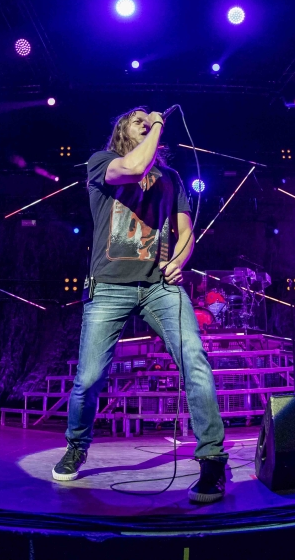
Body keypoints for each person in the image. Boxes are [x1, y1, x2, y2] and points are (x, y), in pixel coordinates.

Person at [52, 107, 228, 504]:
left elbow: (186, 231)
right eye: (138, 121)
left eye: (149, 122)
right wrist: (158, 121)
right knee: (89, 377)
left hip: (159, 286)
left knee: (195, 359)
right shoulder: (102, 162)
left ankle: (212, 459)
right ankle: (77, 445)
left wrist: (179, 260)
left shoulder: (172, 178)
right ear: (121, 130)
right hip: (109, 286)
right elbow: (133, 167)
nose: (146, 123)